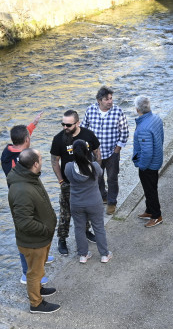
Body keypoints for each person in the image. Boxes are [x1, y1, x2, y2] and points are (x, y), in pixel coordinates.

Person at [0, 111, 54, 284]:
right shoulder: (18, 160)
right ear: (26, 141)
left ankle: (41, 256)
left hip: (28, 192)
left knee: (36, 222)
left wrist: (33, 124)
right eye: (28, 136)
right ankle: (26, 273)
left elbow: (23, 136)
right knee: (24, 232)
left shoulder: (8, 150)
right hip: (21, 197)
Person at [6, 148, 60, 314]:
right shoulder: (22, 189)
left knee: (38, 269)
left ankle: (39, 289)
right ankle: (36, 303)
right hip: (34, 241)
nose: (42, 161)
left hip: (40, 239)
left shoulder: (28, 176)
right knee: (34, 272)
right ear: (35, 164)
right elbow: (24, 222)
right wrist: (45, 230)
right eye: (41, 159)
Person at [50, 109, 100, 256]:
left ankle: (86, 231)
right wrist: (60, 180)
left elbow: (97, 153)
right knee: (66, 212)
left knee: (86, 209)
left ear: (77, 123)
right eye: (63, 124)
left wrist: (95, 174)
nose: (65, 128)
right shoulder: (58, 139)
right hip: (68, 183)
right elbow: (54, 161)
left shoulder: (88, 135)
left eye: (68, 125)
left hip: (86, 181)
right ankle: (62, 239)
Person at [83, 86, 129, 216]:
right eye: (106, 99)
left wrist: (117, 150)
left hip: (111, 152)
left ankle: (112, 202)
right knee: (97, 177)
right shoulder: (90, 110)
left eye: (111, 98)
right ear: (99, 100)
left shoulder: (118, 112)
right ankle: (103, 196)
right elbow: (83, 128)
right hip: (94, 153)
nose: (110, 101)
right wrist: (88, 147)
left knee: (112, 178)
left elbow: (124, 132)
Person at [64, 140, 112, 264]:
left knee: (79, 228)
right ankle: (104, 255)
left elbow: (67, 178)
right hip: (94, 202)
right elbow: (100, 175)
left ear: (73, 152)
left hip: (76, 203)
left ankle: (83, 255)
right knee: (99, 227)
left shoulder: (69, 167)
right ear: (87, 151)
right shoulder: (95, 166)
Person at [132, 95, 165, 228]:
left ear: (137, 109)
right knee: (150, 188)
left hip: (148, 166)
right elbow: (161, 138)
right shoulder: (156, 119)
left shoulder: (143, 127)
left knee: (150, 190)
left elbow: (146, 152)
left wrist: (142, 166)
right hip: (156, 160)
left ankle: (157, 216)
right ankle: (149, 210)